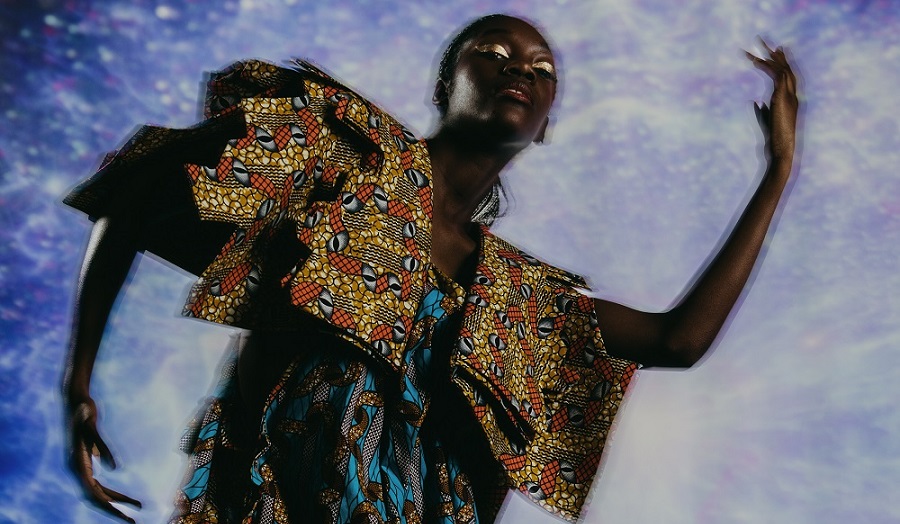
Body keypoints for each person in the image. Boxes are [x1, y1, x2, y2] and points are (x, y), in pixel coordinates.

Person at [62, 13, 799, 524]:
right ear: (448, 84)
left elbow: (679, 340)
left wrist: (778, 170)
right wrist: (79, 382)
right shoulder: (340, 158)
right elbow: (138, 189)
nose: (522, 72)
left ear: (546, 128)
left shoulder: (517, 298)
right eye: (497, 55)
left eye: (542, 72)